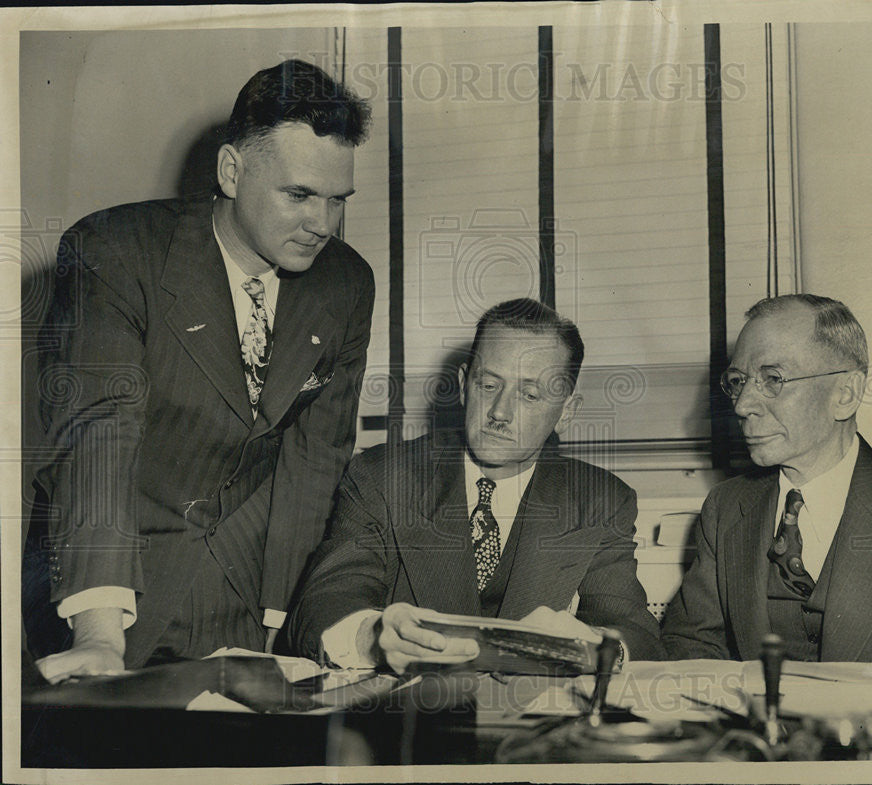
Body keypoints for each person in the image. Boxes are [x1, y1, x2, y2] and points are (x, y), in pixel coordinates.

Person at [23, 59, 376, 681]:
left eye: (336, 200)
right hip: (114, 581)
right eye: (298, 195)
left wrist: (280, 625)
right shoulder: (114, 249)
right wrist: (100, 633)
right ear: (232, 171)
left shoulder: (347, 282)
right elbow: (99, 436)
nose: (322, 225)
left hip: (248, 596)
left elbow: (315, 462)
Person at [287, 298, 662, 673]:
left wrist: (593, 646)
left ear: (567, 411)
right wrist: (372, 638)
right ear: (465, 385)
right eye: (488, 384)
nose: (500, 412)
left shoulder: (600, 499)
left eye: (530, 395)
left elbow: (636, 632)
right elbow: (323, 604)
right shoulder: (383, 475)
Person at [660, 294, 872, 669]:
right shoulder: (725, 507)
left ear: (845, 394)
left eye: (773, 379)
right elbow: (689, 642)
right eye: (737, 381)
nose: (742, 404)